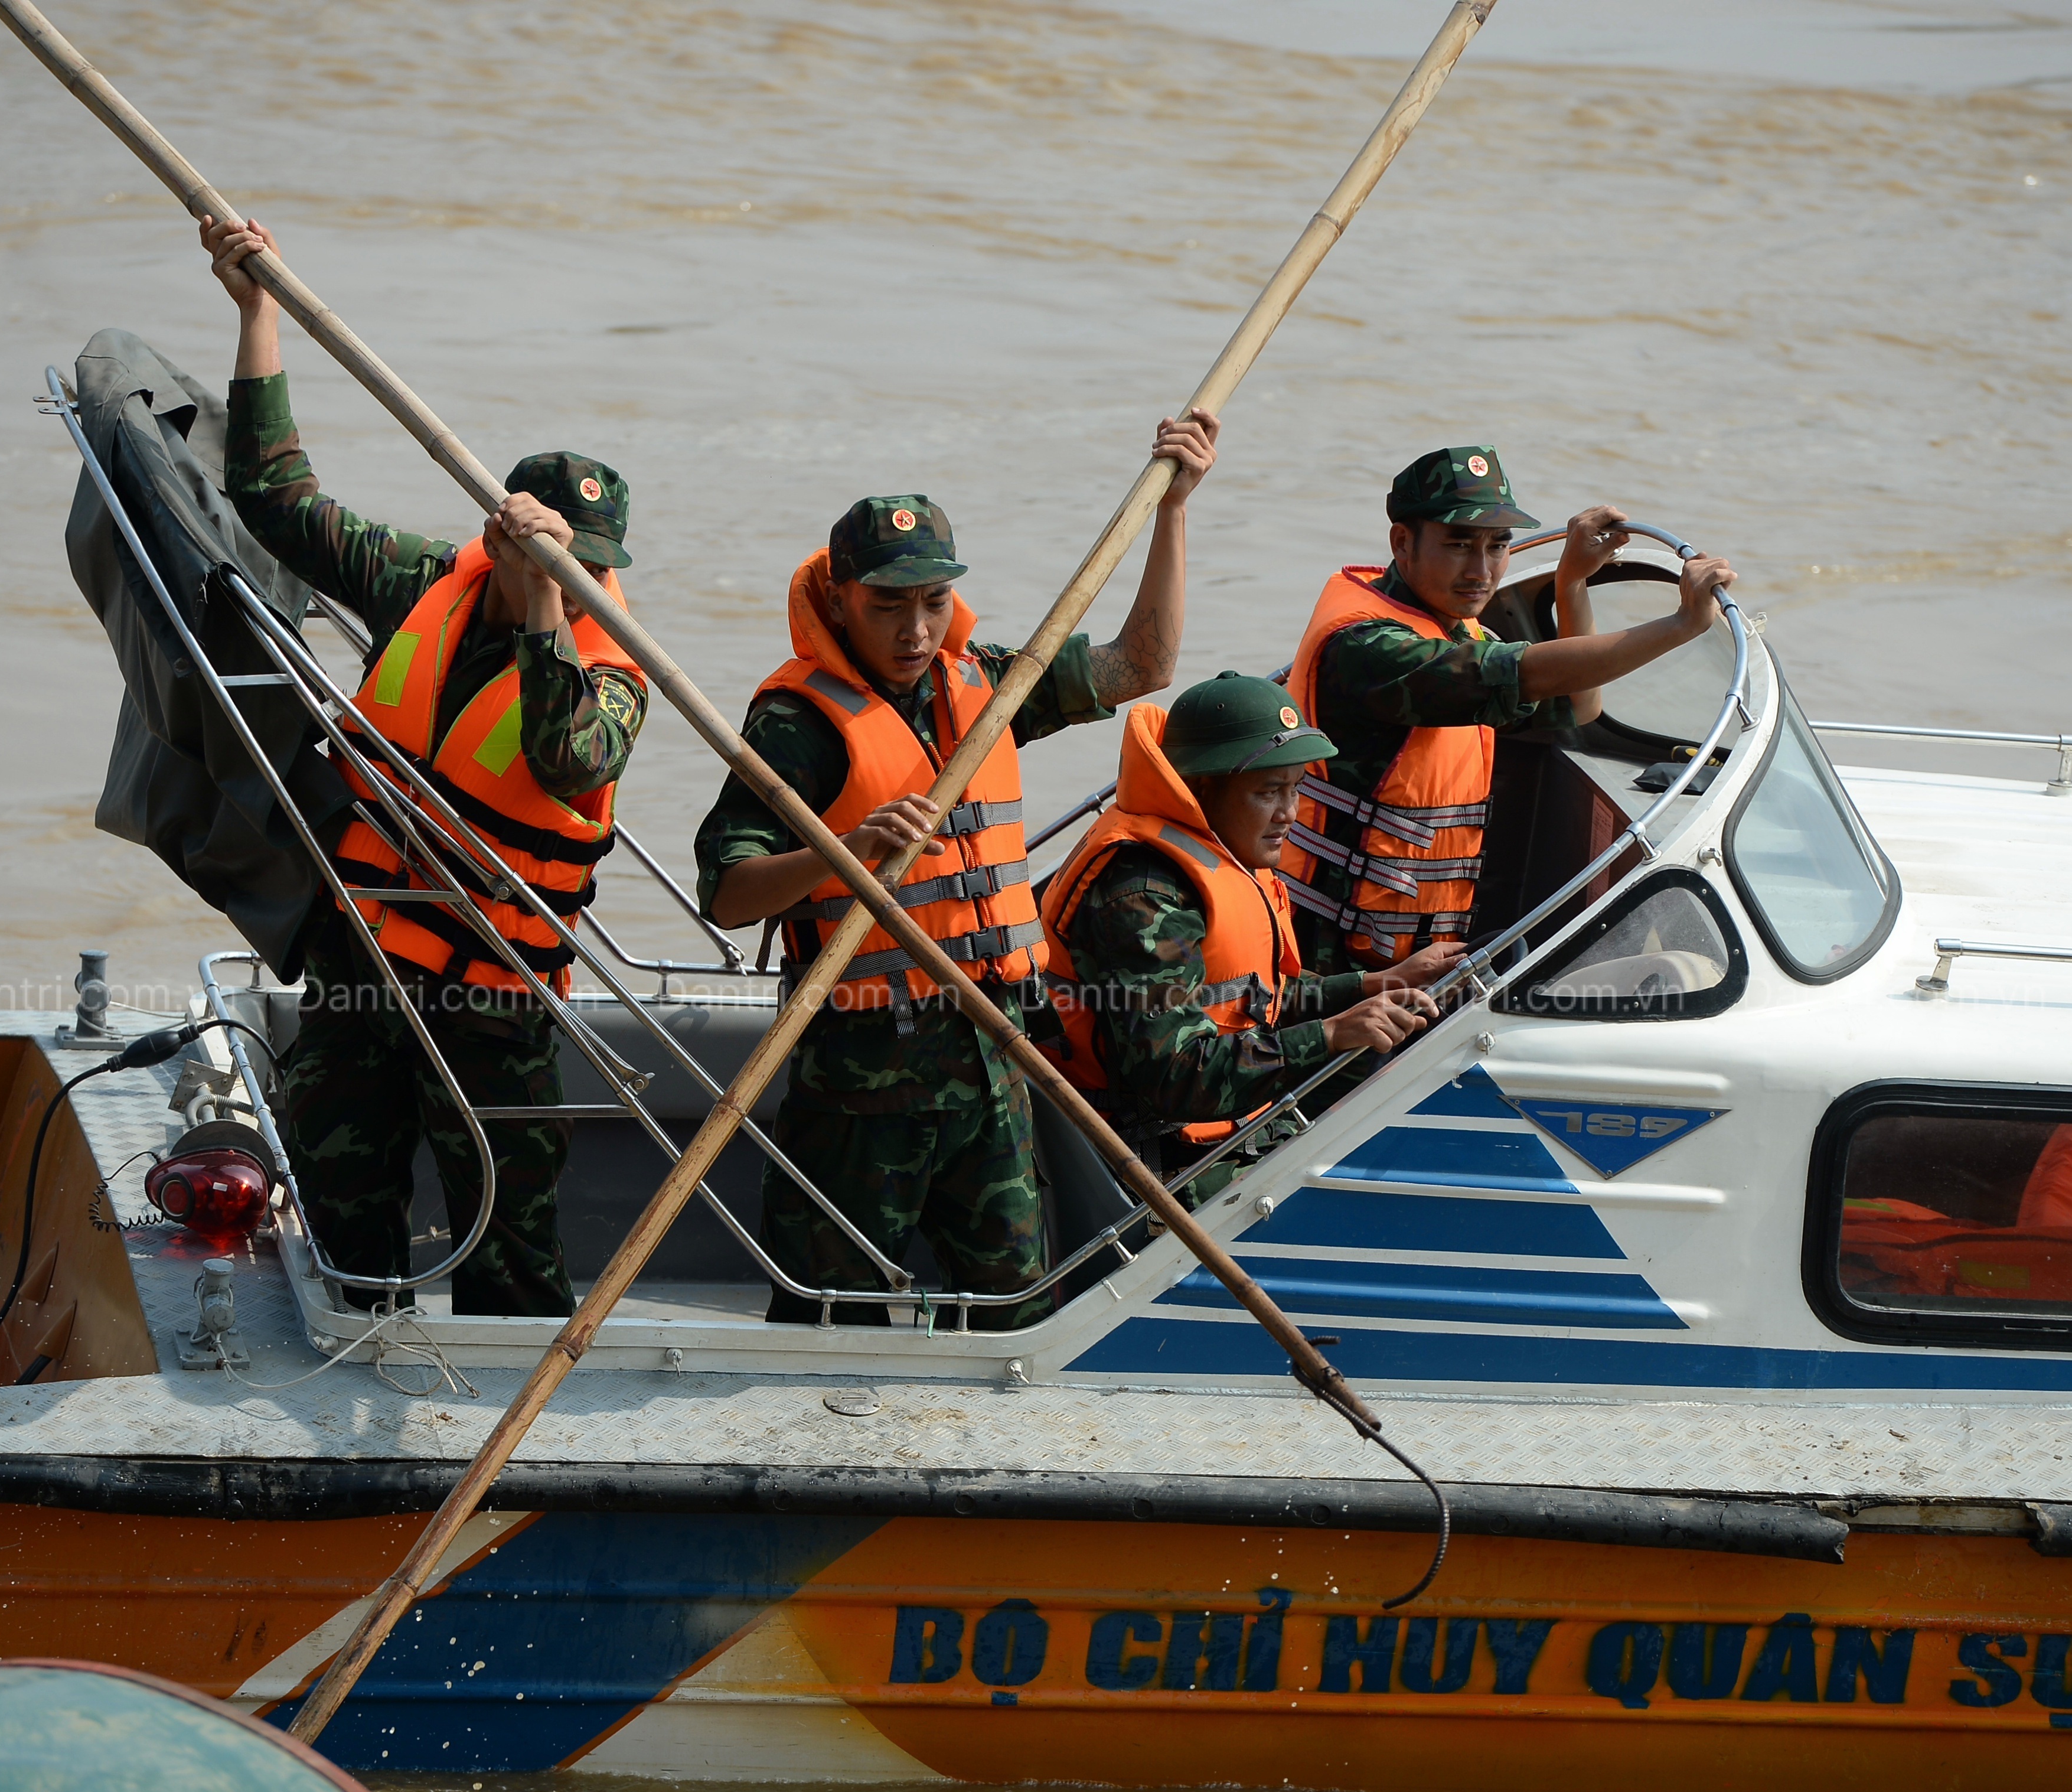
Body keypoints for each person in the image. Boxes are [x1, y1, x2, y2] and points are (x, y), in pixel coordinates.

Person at [202, 213, 650, 1318]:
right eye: (547, 556)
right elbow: (281, 503)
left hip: (492, 1007)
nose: (569, 579)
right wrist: (259, 316)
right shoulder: (425, 584)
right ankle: (363, 1350)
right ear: (492, 536)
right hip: (368, 964)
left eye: (590, 567)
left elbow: (565, 753)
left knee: (511, 1241)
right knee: (342, 1194)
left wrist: (549, 603)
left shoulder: (617, 670)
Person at [695, 410, 1221, 1328]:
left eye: (931, 601)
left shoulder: (985, 684)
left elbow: (1143, 663)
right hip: (862, 1089)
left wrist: (1173, 507)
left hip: (990, 1062)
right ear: (840, 599)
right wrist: (846, 852)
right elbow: (728, 894)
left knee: (1014, 1309)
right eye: (887, 604)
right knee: (830, 1316)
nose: (913, 628)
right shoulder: (798, 724)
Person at [1284, 446, 1738, 973]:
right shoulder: (1372, 649)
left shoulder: (1456, 629)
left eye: (1498, 546)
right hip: (1326, 957)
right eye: (1458, 545)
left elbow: (1579, 705)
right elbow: (1526, 671)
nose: (1481, 570)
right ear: (1402, 543)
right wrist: (1681, 625)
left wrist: (1570, 584)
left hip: (1410, 953)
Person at [1039, 671, 1458, 1207]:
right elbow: (1173, 1076)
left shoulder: (1220, 847)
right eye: (1268, 792)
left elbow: (1245, 994)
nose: (1289, 814)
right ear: (1201, 789)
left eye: (1296, 789)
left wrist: (1374, 983)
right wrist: (1330, 1035)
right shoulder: (1144, 900)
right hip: (1162, 1168)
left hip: (1232, 1130)